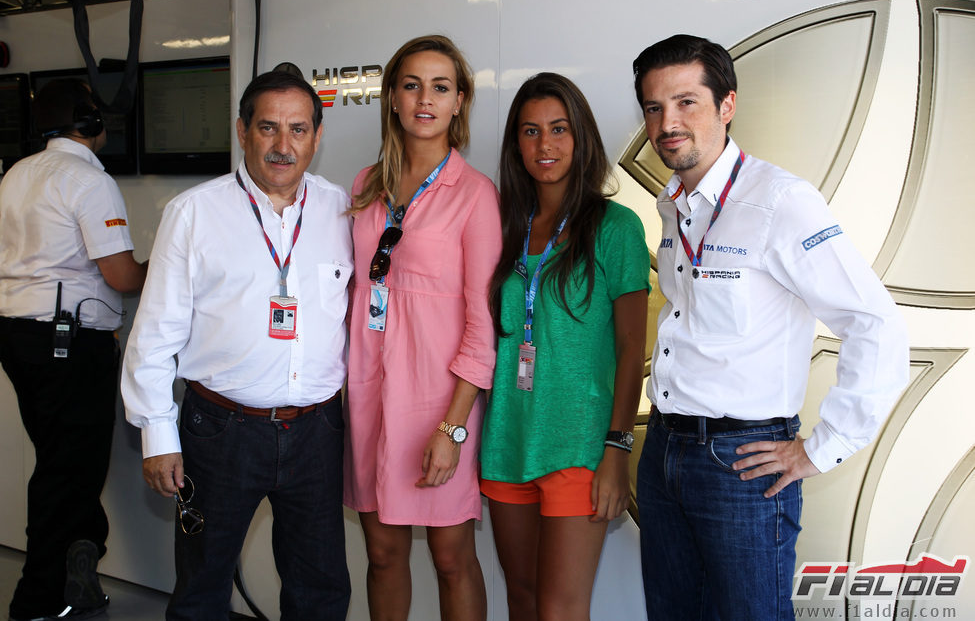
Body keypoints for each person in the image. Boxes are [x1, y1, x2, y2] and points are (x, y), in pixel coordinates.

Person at [632, 34, 910, 620]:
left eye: (686, 102)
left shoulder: (780, 201)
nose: (667, 122)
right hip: (663, 450)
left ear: (727, 105)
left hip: (741, 458)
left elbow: (874, 322)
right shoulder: (671, 203)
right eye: (654, 107)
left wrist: (822, 448)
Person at [120, 70, 353, 620]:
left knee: (321, 589)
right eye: (268, 128)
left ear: (317, 137)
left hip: (318, 431)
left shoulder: (341, 209)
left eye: (298, 129)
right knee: (202, 591)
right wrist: (158, 433)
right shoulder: (194, 213)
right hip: (221, 432)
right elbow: (153, 334)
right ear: (243, 132)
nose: (283, 145)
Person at [479, 72, 650, 620]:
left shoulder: (615, 227)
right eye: (530, 131)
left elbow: (631, 347)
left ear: (581, 138)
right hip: (507, 440)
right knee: (523, 600)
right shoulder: (501, 227)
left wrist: (617, 450)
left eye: (558, 129)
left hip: (579, 446)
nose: (544, 145)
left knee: (560, 609)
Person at [343, 34, 501, 621]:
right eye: (411, 85)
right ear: (391, 97)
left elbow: (484, 325)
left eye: (441, 87)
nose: (424, 99)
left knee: (451, 555)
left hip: (439, 402)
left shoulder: (476, 195)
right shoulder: (365, 185)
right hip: (368, 394)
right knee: (382, 553)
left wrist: (454, 428)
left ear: (460, 101)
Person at [0, 78, 147, 621]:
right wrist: (168, 267)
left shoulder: (18, 172)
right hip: (69, 342)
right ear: (86, 124)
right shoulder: (87, 180)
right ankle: (35, 600)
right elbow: (122, 274)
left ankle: (78, 569)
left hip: (18, 335)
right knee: (68, 473)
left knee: (62, 462)